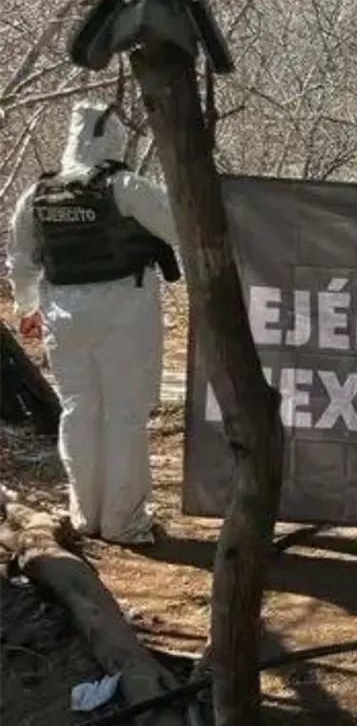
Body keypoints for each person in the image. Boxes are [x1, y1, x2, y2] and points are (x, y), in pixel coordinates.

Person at [6, 101, 180, 546]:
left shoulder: (37, 194)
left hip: (62, 313)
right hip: (124, 308)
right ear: (114, 138)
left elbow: (21, 259)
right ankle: (125, 521)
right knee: (124, 414)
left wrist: (27, 307)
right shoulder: (125, 187)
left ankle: (85, 515)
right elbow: (181, 228)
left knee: (79, 411)